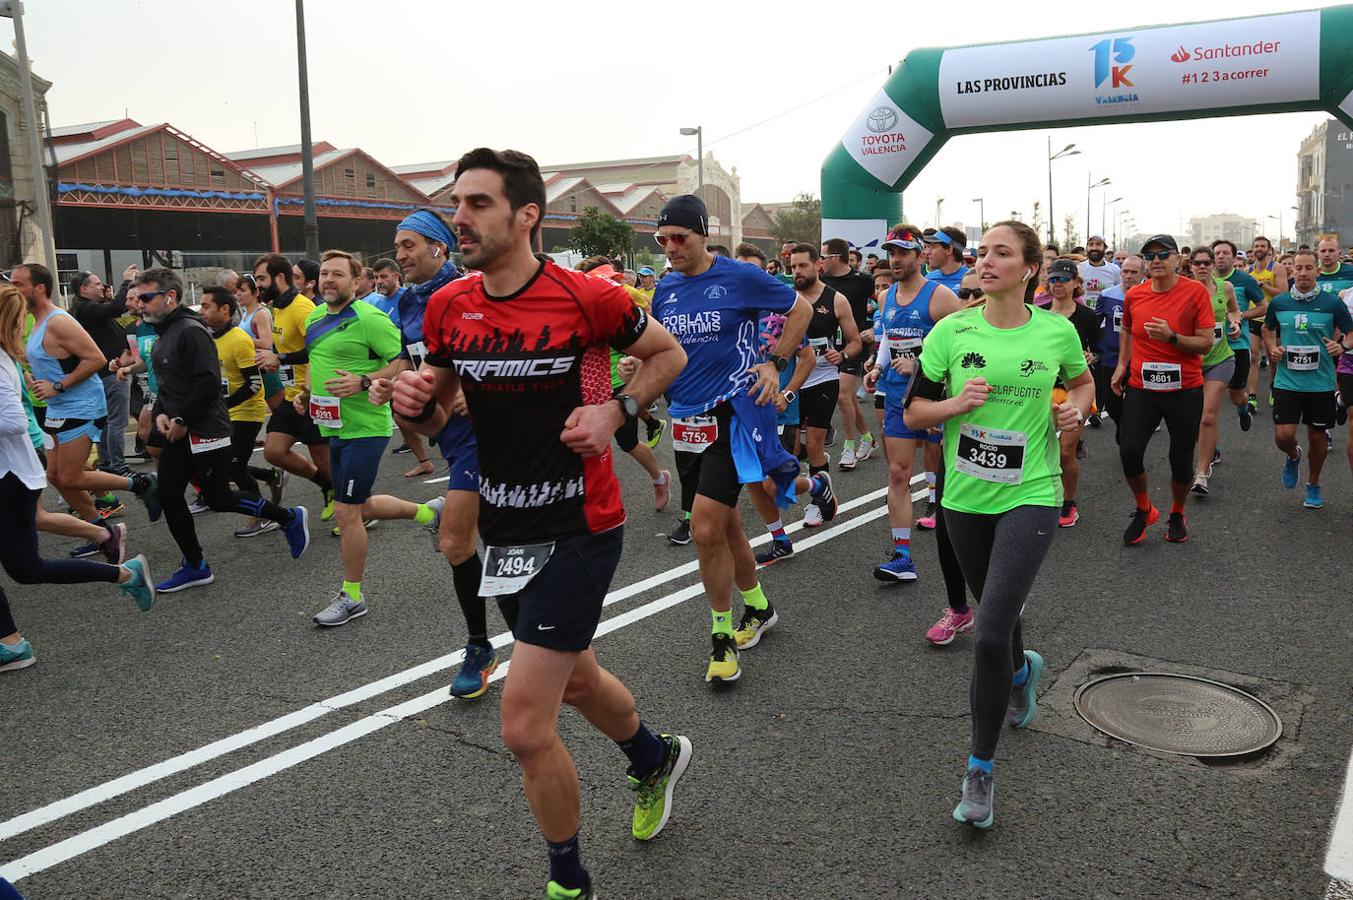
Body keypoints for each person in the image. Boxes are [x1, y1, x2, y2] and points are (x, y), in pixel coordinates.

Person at [391, 147, 692, 899]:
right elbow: (443, 402)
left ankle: (568, 883)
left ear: (525, 215)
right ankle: (652, 758)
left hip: (581, 524)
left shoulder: (588, 296)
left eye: (478, 204)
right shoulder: (448, 305)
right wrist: (415, 407)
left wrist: (617, 408)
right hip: (508, 527)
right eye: (457, 203)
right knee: (578, 678)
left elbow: (667, 353)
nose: (459, 217)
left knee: (524, 726)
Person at [903, 220, 1094, 829]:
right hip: (962, 496)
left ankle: (980, 770)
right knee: (995, 609)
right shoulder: (951, 330)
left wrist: (1077, 415)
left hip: (1031, 493)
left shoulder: (1055, 331)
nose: (985, 262)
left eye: (1001, 253)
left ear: (1029, 268)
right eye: (981, 252)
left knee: (987, 630)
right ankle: (1021, 670)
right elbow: (912, 410)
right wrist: (955, 405)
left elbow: (1083, 385)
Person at [655, 196, 836, 683]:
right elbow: (661, 348)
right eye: (662, 240)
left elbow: (799, 309)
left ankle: (720, 637)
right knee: (730, 525)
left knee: (706, 529)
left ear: (702, 236)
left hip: (734, 412)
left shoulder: (738, 276)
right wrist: (639, 365)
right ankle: (758, 606)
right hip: (686, 420)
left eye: (680, 238)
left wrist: (774, 362)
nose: (671, 248)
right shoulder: (664, 289)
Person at [367, 210, 500, 696]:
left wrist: (484, 387)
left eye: (408, 245)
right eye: (397, 246)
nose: (398, 256)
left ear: (439, 248)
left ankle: (493, 643)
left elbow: (509, 348)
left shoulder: (473, 292)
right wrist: (379, 382)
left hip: (494, 434)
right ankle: (492, 643)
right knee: (473, 542)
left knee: (460, 542)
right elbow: (411, 357)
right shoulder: (408, 303)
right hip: (452, 435)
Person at [0, 282, 156, 673]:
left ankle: (121, 552)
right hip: (17, 469)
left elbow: (14, 421)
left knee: (65, 483)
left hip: (13, 474)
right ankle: (11, 643)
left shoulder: (21, 346)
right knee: (27, 564)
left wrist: (59, 386)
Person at [136, 268, 311, 591]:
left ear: (169, 297)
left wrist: (180, 419)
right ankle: (195, 564)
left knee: (218, 498)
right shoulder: (164, 333)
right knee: (170, 494)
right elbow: (168, 386)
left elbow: (207, 384)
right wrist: (162, 413)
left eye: (145, 298)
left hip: (206, 428)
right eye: (137, 299)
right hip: (181, 429)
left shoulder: (190, 331)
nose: (140, 305)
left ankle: (287, 517)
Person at [289, 251, 438, 624]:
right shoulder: (315, 318)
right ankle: (429, 512)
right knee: (361, 504)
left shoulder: (370, 318)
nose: (329, 280)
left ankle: (352, 595)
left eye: (338, 275)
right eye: (324, 274)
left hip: (366, 428)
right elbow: (318, 362)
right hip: (332, 426)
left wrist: (366, 381)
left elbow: (403, 360)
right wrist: (306, 393)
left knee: (346, 510)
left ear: (357, 282)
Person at [14, 263, 161, 528]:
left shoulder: (58, 321)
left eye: (18, 285)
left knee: (70, 476)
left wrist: (58, 386)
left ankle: (140, 483)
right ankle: (102, 532)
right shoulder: (36, 322)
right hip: (57, 407)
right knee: (56, 477)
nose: (13, 290)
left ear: (39, 288)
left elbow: (95, 359)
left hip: (81, 405)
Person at [864, 224, 959, 580]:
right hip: (896, 394)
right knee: (898, 472)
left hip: (933, 396)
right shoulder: (886, 297)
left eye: (903, 253)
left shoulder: (940, 297)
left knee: (949, 471)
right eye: (892, 253)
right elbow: (890, 338)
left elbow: (963, 347)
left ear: (920, 256)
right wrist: (878, 365)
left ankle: (965, 541)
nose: (896, 259)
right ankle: (902, 557)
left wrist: (921, 363)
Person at [1112, 235, 1214, 545]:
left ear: (1176, 260)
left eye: (1162, 254)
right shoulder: (1135, 295)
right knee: (1129, 451)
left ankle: (1177, 512)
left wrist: (1172, 337)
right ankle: (1144, 508)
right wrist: (1121, 366)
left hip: (1184, 388)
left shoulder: (1195, 292)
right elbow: (1128, 330)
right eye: (1149, 255)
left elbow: (1206, 343)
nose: (1155, 260)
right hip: (1143, 387)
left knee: (1180, 459)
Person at [1262, 249, 1353, 509]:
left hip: (1321, 382)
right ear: (1292, 272)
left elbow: (1350, 332)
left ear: (1317, 271)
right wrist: (1272, 348)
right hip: (1287, 381)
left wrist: (1343, 347)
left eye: (1308, 268)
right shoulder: (1280, 303)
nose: (1303, 273)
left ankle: (1313, 484)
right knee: (1283, 436)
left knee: (1317, 436)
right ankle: (1293, 455)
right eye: (1298, 268)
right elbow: (1267, 328)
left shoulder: (1332, 303)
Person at [253, 254, 335, 518]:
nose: (258, 287)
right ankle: (326, 486)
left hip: (311, 394)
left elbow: (319, 351)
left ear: (279, 278)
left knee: (324, 459)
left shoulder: (303, 308)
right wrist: (275, 360)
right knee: (274, 451)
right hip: (291, 395)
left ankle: (356, 509)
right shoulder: (278, 308)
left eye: (262, 279)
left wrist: (281, 358)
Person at [197, 288, 276, 537]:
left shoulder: (240, 339)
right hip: (225, 413)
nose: (201, 311)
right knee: (224, 464)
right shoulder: (209, 338)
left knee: (234, 468)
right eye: (200, 306)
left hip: (247, 412)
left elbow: (254, 384)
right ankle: (270, 476)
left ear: (225, 309)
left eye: (206, 306)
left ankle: (263, 516)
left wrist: (225, 404)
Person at [792, 243, 861, 522]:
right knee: (793, 447)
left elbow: (855, 342)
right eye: (793, 266)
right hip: (793, 382)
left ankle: (818, 502)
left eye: (802, 265)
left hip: (823, 377)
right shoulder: (786, 298)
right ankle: (819, 470)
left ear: (818, 265)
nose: (796, 271)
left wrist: (842, 354)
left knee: (816, 444)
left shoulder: (836, 300)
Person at [1044, 259, 1101, 527]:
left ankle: (1069, 504)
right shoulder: (1037, 313)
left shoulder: (1087, 317)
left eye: (1063, 280)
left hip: (1074, 391)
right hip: (1043, 390)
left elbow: (1101, 352)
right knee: (1039, 448)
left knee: (1065, 452)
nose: (1057, 284)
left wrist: (1093, 357)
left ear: (1076, 283)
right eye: (1053, 279)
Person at [70, 268, 138, 476]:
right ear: (83, 289)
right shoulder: (85, 309)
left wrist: (109, 301)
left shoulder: (91, 310)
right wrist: (126, 282)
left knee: (108, 421)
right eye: (97, 284)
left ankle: (108, 463)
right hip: (111, 372)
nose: (102, 287)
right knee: (117, 421)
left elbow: (119, 322)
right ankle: (118, 465)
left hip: (107, 371)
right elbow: (117, 309)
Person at [1186, 248, 1240, 496]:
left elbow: (1233, 309)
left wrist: (1235, 322)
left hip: (1220, 359)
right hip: (1189, 361)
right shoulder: (1182, 290)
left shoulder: (1225, 288)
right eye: (1197, 263)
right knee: (1192, 417)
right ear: (1190, 266)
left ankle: (1201, 473)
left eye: (1207, 263)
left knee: (1208, 415)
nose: (1202, 267)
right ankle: (1209, 448)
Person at [820, 237, 877, 469]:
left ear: (835, 257)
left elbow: (884, 301)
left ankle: (849, 447)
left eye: (823, 257)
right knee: (849, 398)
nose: (821, 262)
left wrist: (875, 328)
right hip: (830, 345)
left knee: (843, 396)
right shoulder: (821, 279)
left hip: (855, 344)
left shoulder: (863, 280)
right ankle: (867, 438)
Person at [1211, 239, 1264, 431]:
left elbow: (1262, 307)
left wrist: (1241, 315)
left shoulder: (1244, 280)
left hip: (1237, 345)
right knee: (1208, 403)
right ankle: (1211, 451)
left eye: (1226, 253)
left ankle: (1243, 408)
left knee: (1236, 394)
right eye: (1217, 253)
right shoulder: (1202, 282)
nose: (1221, 257)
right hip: (1209, 347)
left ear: (1234, 258)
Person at [1095, 254, 1144, 434]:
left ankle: (1127, 435)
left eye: (1134, 272)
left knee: (1135, 406)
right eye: (1125, 271)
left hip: (1138, 359)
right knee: (1112, 404)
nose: (1129, 275)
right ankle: (1123, 428)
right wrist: (1095, 349)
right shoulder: (1107, 295)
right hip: (1111, 359)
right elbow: (1095, 323)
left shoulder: (1149, 297)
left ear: (1143, 275)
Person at [1077, 235, 1121, 312]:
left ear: (1105, 248)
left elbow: (1119, 292)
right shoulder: (1079, 268)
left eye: (1098, 244)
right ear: (1087, 248)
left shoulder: (1115, 270)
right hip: (1084, 316)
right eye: (1091, 245)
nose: (1094, 248)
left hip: (1105, 317)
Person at [923, 226, 970, 292]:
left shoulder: (972, 279)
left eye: (933, 247)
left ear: (948, 250)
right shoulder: (928, 279)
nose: (927, 252)